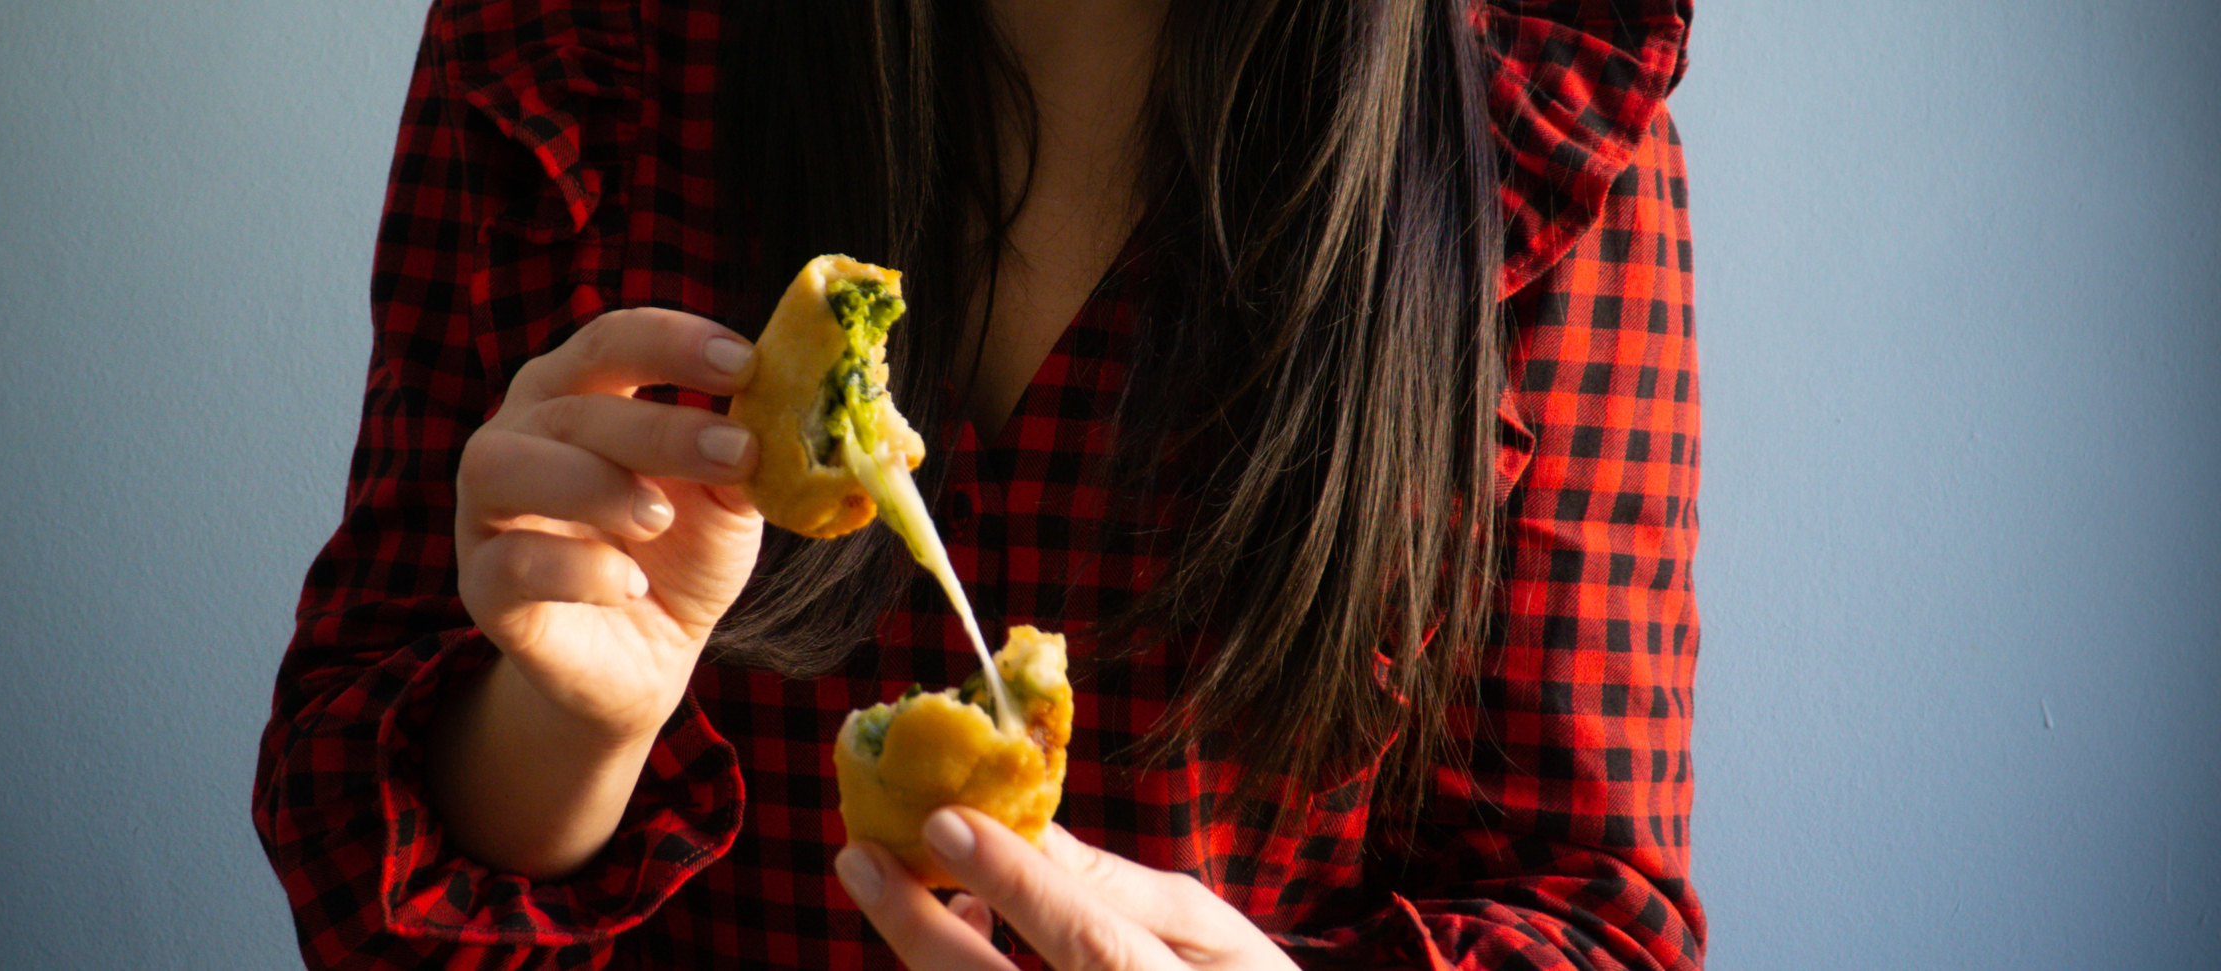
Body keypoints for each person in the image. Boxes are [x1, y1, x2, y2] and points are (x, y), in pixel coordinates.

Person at [252, 0, 1700, 967]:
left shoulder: (1517, 112)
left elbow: (1593, 909)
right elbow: (351, 873)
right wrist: (569, 726)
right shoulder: (577, 41)